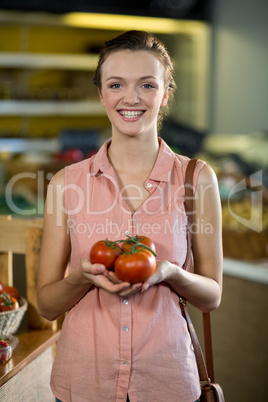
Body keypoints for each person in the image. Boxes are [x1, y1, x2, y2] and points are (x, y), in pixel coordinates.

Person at [37, 30, 223, 402]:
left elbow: (211, 296)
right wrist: (81, 278)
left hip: (165, 379)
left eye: (147, 85)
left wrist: (169, 272)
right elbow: (47, 304)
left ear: (165, 94)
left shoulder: (197, 178)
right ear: (102, 94)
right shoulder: (65, 183)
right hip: (83, 381)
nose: (131, 98)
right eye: (117, 84)